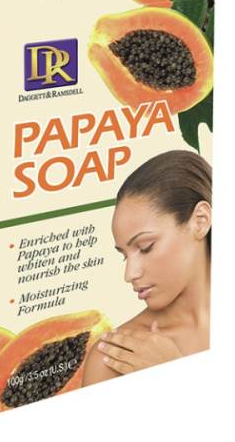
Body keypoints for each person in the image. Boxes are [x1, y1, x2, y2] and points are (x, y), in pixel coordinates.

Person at [82, 149, 212, 386]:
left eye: (145, 247)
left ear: (200, 221)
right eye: (124, 256)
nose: (129, 274)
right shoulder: (113, 358)